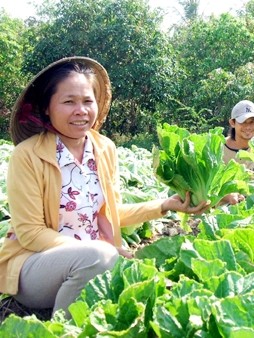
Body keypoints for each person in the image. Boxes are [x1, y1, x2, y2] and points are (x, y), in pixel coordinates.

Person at [0, 57, 209, 319]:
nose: (81, 110)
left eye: (88, 101)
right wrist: (98, 250)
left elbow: (111, 212)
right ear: (46, 108)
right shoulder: (27, 155)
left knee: (146, 280)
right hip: (34, 266)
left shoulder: (104, 148)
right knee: (100, 257)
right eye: (68, 102)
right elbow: (30, 233)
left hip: (93, 262)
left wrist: (164, 206)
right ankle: (63, 329)